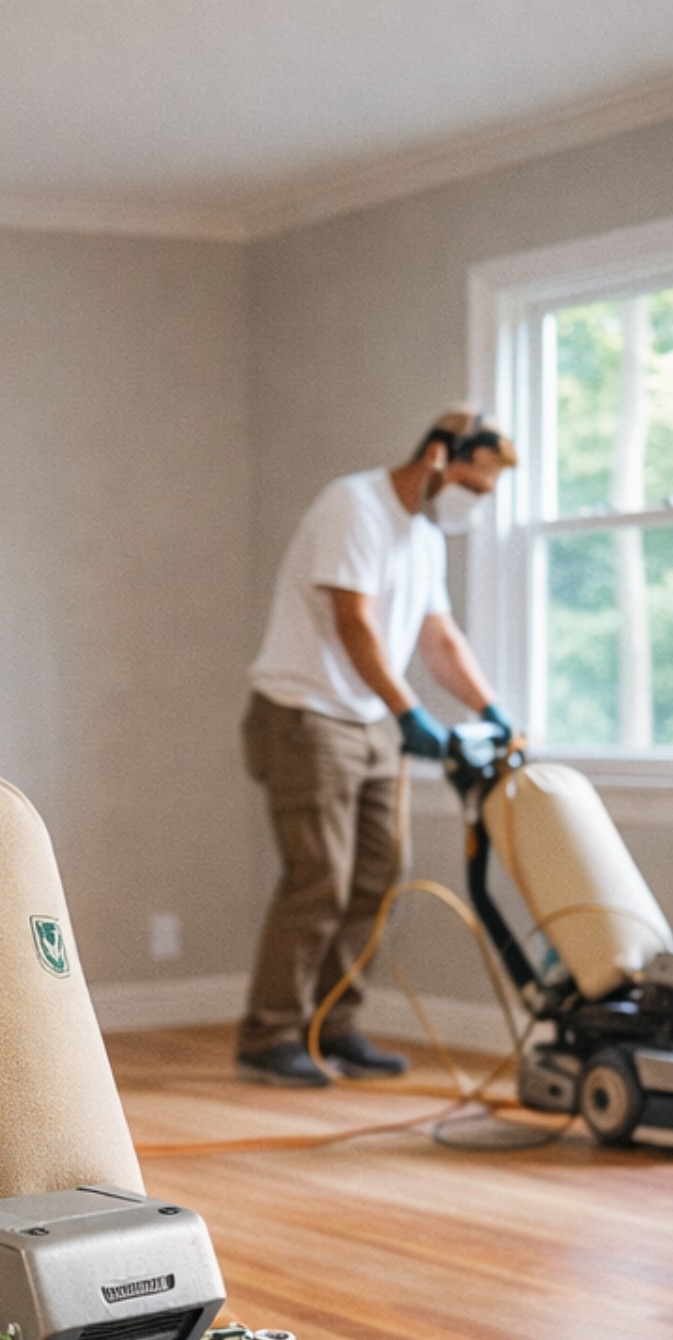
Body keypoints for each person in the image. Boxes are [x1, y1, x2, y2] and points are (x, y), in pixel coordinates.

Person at [237, 408, 518, 1088]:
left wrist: (490, 709)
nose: (474, 503)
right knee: (320, 879)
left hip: (368, 721)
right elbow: (353, 622)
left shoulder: (423, 538)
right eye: (472, 486)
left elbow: (439, 638)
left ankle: (334, 1025)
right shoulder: (354, 505)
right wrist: (409, 711)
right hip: (306, 715)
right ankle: (269, 1036)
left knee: (381, 877)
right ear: (438, 455)